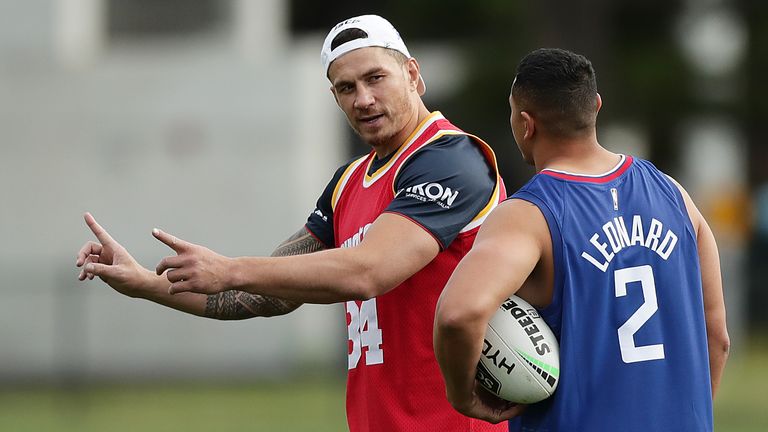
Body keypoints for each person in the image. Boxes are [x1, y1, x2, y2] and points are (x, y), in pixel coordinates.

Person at [76, 15, 507, 432]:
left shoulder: (451, 159)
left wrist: (227, 268)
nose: (363, 99)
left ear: (412, 74)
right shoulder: (347, 183)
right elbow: (265, 297)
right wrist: (142, 282)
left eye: (376, 78)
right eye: (345, 87)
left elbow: (370, 270)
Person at [433, 48, 730, 431]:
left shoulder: (528, 215)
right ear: (597, 106)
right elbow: (717, 337)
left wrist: (463, 395)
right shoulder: (675, 195)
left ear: (525, 123)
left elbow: (459, 314)